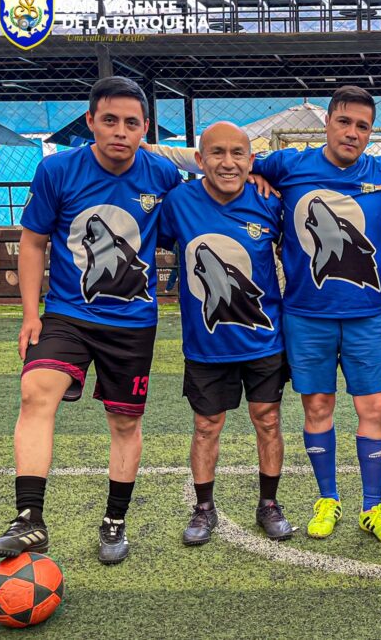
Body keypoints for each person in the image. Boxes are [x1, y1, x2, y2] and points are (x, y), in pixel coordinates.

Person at [150, 86, 381, 546]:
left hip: (367, 316)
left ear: (371, 132)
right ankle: (327, 499)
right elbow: (230, 160)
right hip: (306, 316)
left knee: (373, 409)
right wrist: (167, 153)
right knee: (317, 407)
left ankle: (373, 506)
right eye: (344, 122)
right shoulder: (287, 165)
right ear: (328, 123)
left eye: (363, 126)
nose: (352, 133)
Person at [0, 77, 182, 564]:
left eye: (131, 123)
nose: (120, 131)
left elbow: (196, 214)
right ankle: (29, 519)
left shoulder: (162, 175)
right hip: (68, 314)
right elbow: (34, 242)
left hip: (132, 322)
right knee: (36, 391)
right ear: (91, 121)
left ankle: (114, 522)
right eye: (109, 120)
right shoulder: (57, 170)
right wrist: (30, 315)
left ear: (145, 128)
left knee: (124, 421)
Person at [157, 122, 293, 546]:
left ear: (252, 160)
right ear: (200, 160)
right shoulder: (179, 202)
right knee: (206, 425)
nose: (228, 162)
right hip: (206, 345)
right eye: (217, 153)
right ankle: (203, 508)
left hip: (263, 340)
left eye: (238, 153)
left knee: (267, 420)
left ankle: (269, 504)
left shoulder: (270, 202)